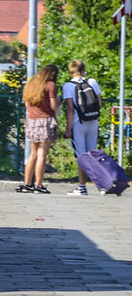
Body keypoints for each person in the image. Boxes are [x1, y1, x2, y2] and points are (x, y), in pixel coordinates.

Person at [18, 64, 59, 194]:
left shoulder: (30, 85)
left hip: (31, 120)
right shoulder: (50, 85)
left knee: (33, 154)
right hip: (45, 120)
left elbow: (26, 103)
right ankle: (39, 185)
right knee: (42, 154)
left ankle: (27, 183)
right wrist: (58, 102)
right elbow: (53, 106)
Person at [63, 59, 102, 195]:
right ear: (83, 70)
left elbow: (69, 108)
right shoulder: (92, 82)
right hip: (93, 121)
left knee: (82, 156)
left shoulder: (68, 86)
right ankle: (103, 184)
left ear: (71, 71)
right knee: (93, 154)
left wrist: (68, 128)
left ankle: (82, 187)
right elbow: (99, 102)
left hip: (78, 123)